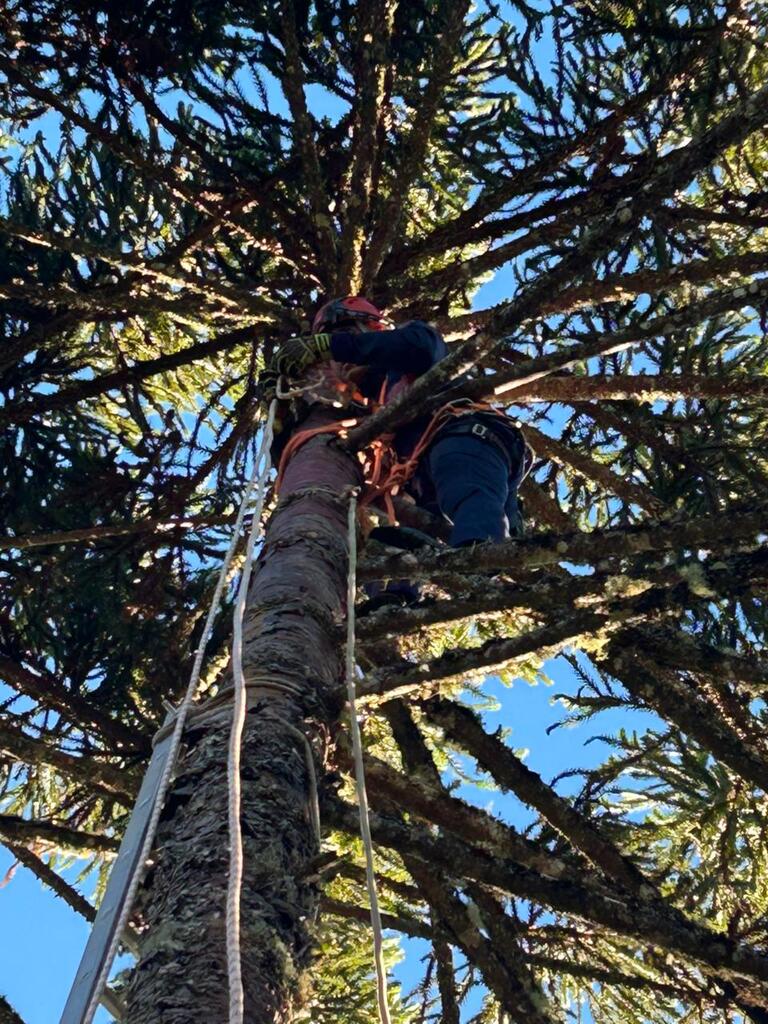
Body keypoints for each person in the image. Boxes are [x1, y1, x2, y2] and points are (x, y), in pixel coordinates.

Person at [261, 295, 530, 560]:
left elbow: (420, 348)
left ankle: (482, 560)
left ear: (374, 327)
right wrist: (283, 408)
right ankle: (422, 585)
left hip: (463, 436)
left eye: (343, 334)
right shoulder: (369, 403)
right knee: (398, 547)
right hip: (427, 479)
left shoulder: (413, 341)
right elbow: (307, 454)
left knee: (466, 497)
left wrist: (330, 345)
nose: (338, 360)